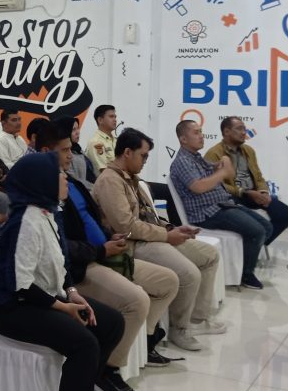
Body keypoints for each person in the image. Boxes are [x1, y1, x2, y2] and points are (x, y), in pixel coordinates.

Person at [0, 153, 125, 391]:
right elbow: (21, 286)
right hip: (11, 307)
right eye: (60, 174)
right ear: (42, 182)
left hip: (42, 297)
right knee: (84, 344)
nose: (66, 178)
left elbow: (59, 266)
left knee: (111, 323)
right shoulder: (25, 222)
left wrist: (73, 294)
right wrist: (63, 307)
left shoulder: (48, 213)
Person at [43, 128, 179, 391]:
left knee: (168, 281)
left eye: (71, 148)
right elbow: (58, 246)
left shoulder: (71, 182)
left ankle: (145, 341)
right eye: (65, 150)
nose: (71, 155)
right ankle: (106, 369)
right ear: (46, 152)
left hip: (106, 254)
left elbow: (92, 221)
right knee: (136, 300)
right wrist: (99, 250)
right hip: (82, 267)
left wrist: (108, 238)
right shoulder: (44, 190)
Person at [95, 128, 225, 352]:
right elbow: (126, 226)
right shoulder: (110, 181)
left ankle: (196, 319)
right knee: (189, 274)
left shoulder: (132, 178)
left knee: (209, 255)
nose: (145, 161)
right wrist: (166, 235)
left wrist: (171, 228)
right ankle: (179, 329)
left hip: (153, 236)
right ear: (127, 152)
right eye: (143, 155)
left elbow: (149, 215)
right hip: (134, 244)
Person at [170, 120, 272, 290]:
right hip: (207, 213)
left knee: (267, 227)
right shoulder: (182, 161)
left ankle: (243, 263)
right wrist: (221, 172)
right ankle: (246, 275)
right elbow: (198, 186)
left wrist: (221, 164)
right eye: (196, 133)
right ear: (183, 139)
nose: (201, 136)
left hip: (223, 205)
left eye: (201, 131)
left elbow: (224, 170)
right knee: (257, 231)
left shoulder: (197, 158)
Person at [204, 117, 288, 245]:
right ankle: (254, 243)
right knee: (254, 224)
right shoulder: (214, 153)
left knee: (287, 215)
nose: (244, 132)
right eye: (239, 129)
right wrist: (245, 192)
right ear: (226, 132)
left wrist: (263, 192)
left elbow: (258, 176)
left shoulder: (249, 150)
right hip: (232, 197)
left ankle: (258, 244)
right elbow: (216, 185)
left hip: (254, 195)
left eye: (244, 129)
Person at [53, 116, 96, 186]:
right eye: (73, 130)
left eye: (78, 128)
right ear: (65, 131)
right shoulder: (64, 156)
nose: (78, 132)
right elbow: (76, 180)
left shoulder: (78, 148)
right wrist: (96, 188)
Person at [84, 104, 118, 176]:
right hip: (107, 181)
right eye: (111, 116)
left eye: (115, 117)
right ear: (100, 120)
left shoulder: (117, 141)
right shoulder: (96, 142)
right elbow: (104, 171)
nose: (115, 119)